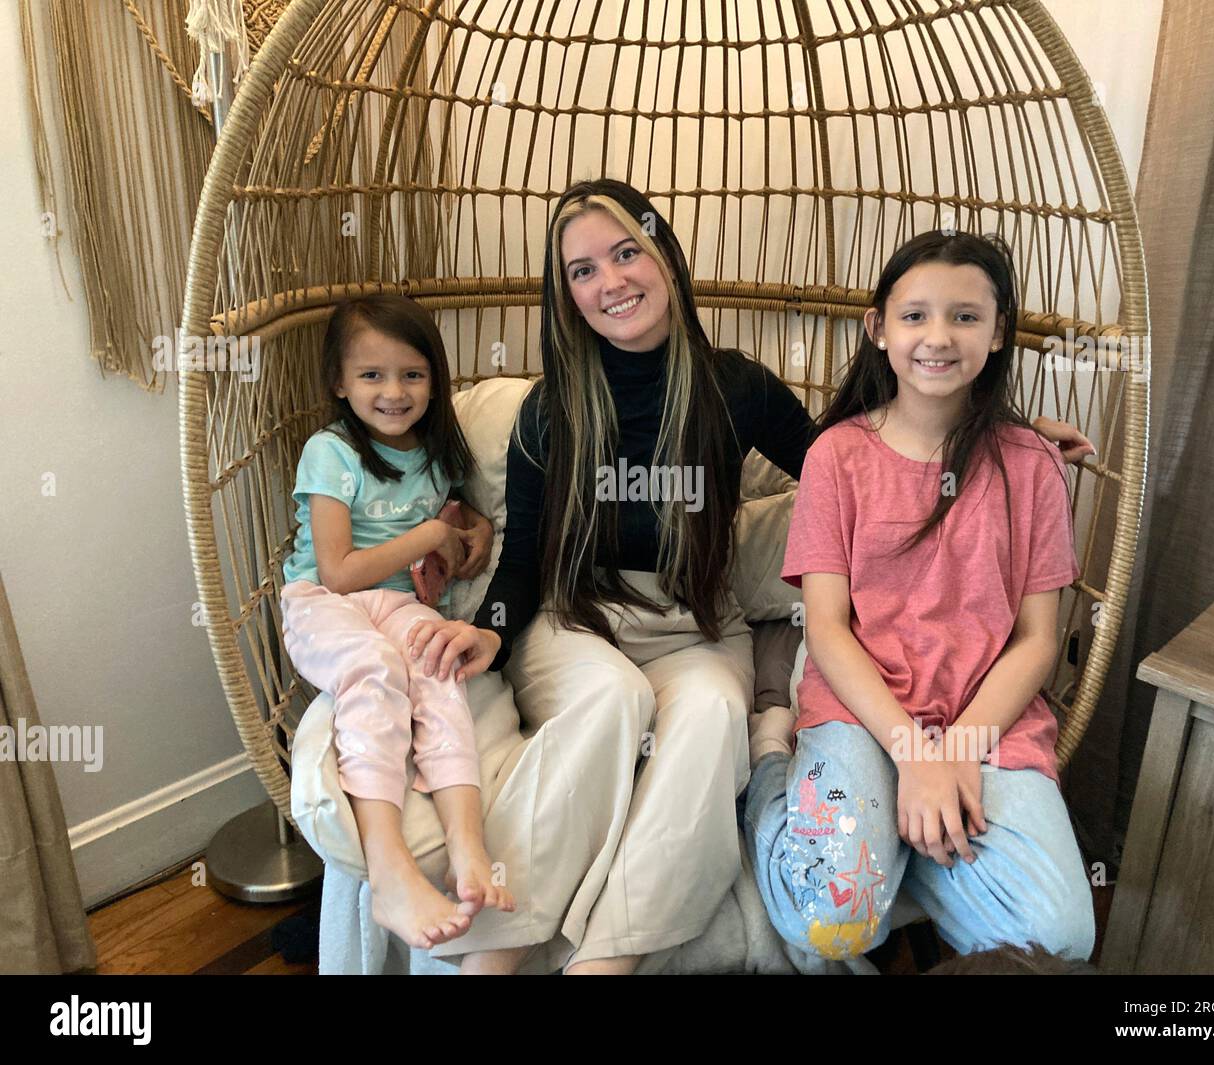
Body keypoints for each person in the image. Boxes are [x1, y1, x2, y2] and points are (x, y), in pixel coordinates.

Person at [410, 187, 1096, 975]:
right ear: (564, 293)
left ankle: (610, 961)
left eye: (628, 251)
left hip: (695, 622)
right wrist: (491, 626)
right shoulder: (549, 409)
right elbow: (524, 556)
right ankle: (499, 951)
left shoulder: (734, 387)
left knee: (709, 713)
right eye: (583, 269)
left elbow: (856, 456)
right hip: (580, 620)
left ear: (665, 255)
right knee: (614, 699)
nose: (612, 280)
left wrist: (1006, 435)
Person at [744, 229, 1096, 964]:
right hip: (864, 709)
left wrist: (958, 751)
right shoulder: (836, 456)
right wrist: (913, 754)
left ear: (1000, 332)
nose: (938, 336)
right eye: (915, 316)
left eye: (966, 317)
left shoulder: (1031, 465)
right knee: (831, 926)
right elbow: (830, 628)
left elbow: (1036, 638)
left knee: (1059, 940)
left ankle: (904, 844)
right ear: (878, 328)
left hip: (988, 719)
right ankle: (774, 771)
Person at [279, 294, 513, 952]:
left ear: (434, 379)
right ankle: (388, 866)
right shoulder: (330, 451)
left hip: (399, 602)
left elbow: (453, 551)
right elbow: (340, 570)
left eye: (412, 374)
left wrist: (466, 540)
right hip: (324, 603)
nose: (393, 391)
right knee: (376, 669)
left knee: (437, 671)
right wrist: (431, 533)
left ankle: (467, 842)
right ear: (339, 382)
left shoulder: (437, 454)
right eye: (372, 375)